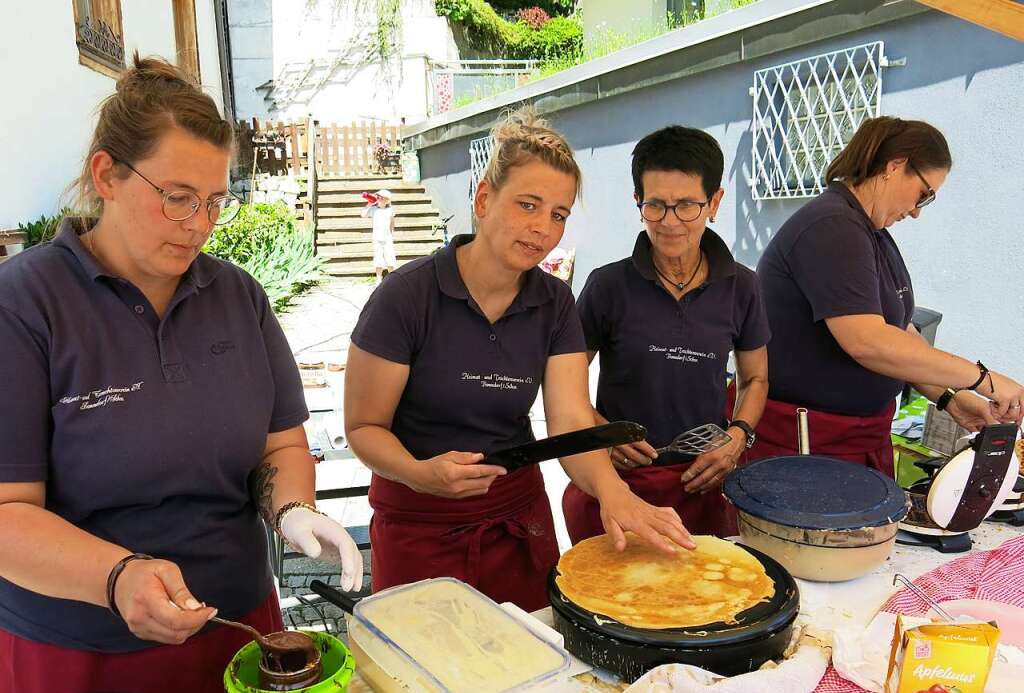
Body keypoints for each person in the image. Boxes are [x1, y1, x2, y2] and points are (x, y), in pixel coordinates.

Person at [0, 56, 361, 693]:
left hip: (237, 629)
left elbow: (280, 446)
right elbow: (7, 513)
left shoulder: (237, 296)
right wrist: (116, 577)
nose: (199, 223)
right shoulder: (25, 302)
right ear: (106, 174)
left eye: (216, 201)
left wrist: (294, 511)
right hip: (82, 653)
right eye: (177, 197)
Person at [344, 109, 692, 612]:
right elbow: (363, 427)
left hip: (516, 520)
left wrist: (613, 493)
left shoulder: (553, 303)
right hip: (419, 521)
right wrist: (420, 473)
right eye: (528, 205)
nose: (542, 228)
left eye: (558, 214)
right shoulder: (406, 297)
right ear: (484, 199)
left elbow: (570, 421)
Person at [754, 116, 1024, 473]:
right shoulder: (832, 227)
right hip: (807, 446)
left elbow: (900, 334)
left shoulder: (870, 232)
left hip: (854, 440)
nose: (915, 212)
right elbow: (870, 342)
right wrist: (983, 379)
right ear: (895, 166)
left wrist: (951, 398)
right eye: (923, 195)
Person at [562, 127, 769, 543]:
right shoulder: (607, 287)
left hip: (701, 484)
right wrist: (601, 431)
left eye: (687, 206)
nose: (670, 222)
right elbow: (562, 384)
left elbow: (756, 378)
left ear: (714, 203)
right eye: (655, 205)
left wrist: (737, 437)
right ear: (638, 203)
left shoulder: (741, 287)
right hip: (617, 485)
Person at [362, 188, 398, 284]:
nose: (380, 199)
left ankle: (392, 279)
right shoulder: (373, 209)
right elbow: (362, 214)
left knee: (390, 258)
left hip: (387, 238)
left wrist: (391, 234)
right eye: (379, 197)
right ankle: (379, 279)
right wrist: (369, 204)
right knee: (378, 258)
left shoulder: (390, 210)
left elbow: (392, 223)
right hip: (377, 238)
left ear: (387, 200)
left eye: (382, 198)